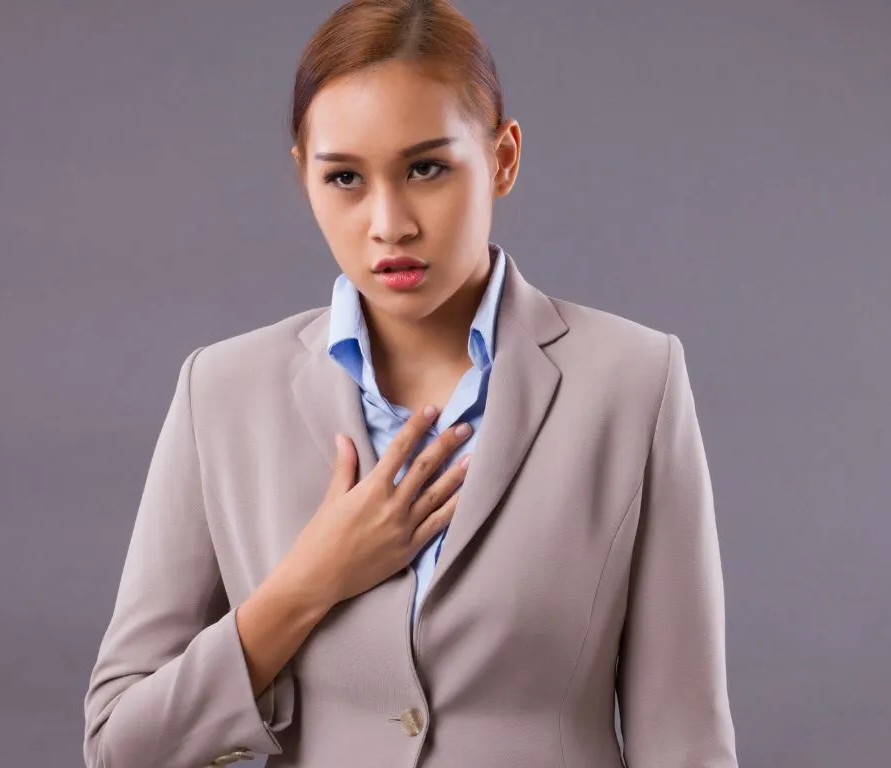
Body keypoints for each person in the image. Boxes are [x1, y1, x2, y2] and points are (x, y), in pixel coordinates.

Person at [81, 1, 737, 766]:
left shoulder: (633, 381)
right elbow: (119, 748)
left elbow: (685, 743)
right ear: (304, 176)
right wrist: (305, 583)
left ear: (502, 158)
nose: (388, 223)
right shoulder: (220, 393)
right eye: (345, 178)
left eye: (426, 168)